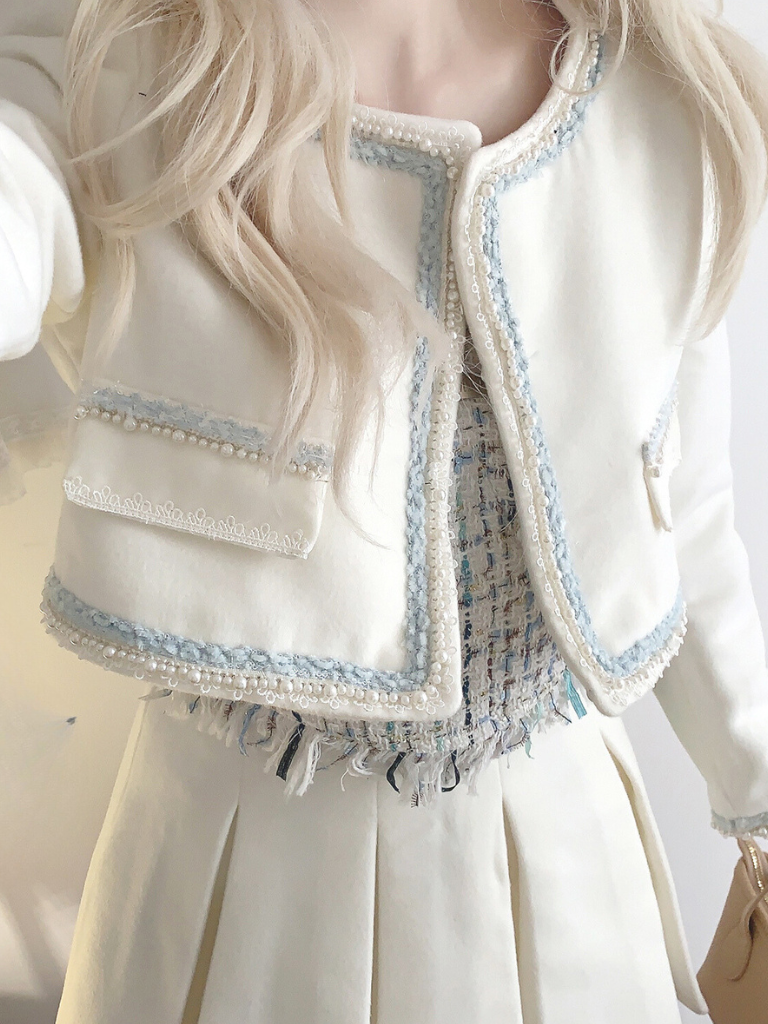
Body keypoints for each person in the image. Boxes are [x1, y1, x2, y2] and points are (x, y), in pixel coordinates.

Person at [1, 0, 768, 1020]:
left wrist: (757, 789)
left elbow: (681, 509)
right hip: (235, 883)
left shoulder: (662, 91)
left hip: (570, 878)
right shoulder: (126, 65)